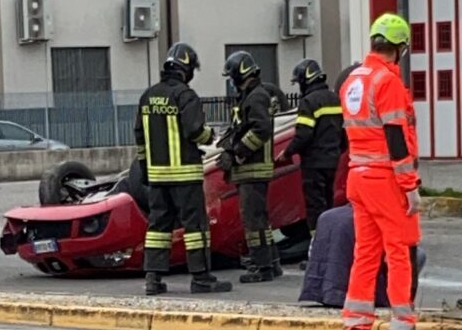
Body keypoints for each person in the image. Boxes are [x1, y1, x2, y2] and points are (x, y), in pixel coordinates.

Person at [340, 13, 436, 330]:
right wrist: (410, 186)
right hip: (385, 180)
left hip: (358, 176)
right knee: (400, 254)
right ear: (400, 48)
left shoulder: (352, 80)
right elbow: (396, 137)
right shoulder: (388, 82)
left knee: (365, 255)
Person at [134, 43, 231, 296]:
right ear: (186, 69)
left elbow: (140, 137)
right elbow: (195, 131)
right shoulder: (185, 95)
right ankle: (201, 278)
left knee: (158, 227)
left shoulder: (148, 96)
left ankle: (153, 279)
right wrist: (211, 135)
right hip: (185, 175)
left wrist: (145, 170)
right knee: (195, 227)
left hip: (157, 177)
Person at [221, 50, 281, 283]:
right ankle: (271, 262)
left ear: (240, 73)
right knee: (261, 220)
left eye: (231, 76)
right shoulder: (250, 96)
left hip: (252, 168)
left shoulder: (256, 97)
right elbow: (241, 128)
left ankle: (261, 267)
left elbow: (260, 130)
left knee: (253, 221)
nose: (231, 81)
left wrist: (238, 153)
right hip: (251, 169)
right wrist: (227, 146)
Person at [280, 59, 343, 238]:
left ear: (305, 80)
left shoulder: (308, 102)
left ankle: (317, 244)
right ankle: (330, 241)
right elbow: (343, 132)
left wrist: (287, 152)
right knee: (329, 203)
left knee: (315, 206)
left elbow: (303, 135)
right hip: (332, 161)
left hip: (313, 163)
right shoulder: (335, 99)